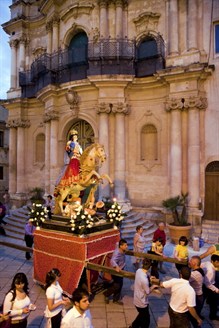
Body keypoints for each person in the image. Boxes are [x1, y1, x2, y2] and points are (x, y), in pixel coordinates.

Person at [128, 258, 153, 328]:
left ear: (142, 264)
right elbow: (148, 291)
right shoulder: (144, 280)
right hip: (142, 302)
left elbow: (144, 275)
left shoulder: (138, 271)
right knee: (146, 319)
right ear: (150, 267)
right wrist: (153, 287)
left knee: (142, 315)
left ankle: (133, 326)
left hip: (136, 299)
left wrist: (149, 277)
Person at [103, 238, 128, 305]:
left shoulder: (120, 247)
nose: (127, 246)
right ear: (121, 246)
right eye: (125, 245)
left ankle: (115, 299)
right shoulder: (117, 253)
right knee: (117, 285)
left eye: (126, 245)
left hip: (121, 268)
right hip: (116, 270)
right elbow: (112, 260)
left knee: (120, 284)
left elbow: (117, 243)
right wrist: (116, 266)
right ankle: (106, 294)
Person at [201, 254, 219, 320]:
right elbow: (208, 284)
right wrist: (216, 290)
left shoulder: (207, 263)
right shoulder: (210, 271)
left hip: (205, 285)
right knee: (213, 301)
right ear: (215, 262)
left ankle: (212, 315)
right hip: (207, 287)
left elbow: (201, 265)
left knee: (203, 301)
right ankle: (212, 316)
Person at [189, 256, 205, 327]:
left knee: (194, 318)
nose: (189, 262)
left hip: (196, 298)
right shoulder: (200, 270)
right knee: (195, 316)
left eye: (191, 261)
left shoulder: (194, 274)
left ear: (195, 263)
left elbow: (184, 280)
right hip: (199, 296)